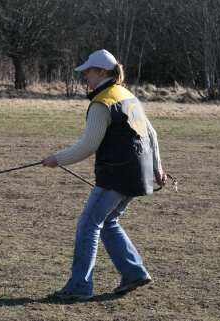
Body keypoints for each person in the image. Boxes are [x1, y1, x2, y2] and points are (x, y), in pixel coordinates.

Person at [42, 49, 166, 301]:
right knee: (107, 222)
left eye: (88, 72)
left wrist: (57, 159)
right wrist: (157, 169)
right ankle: (133, 272)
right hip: (138, 174)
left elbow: (88, 146)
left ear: (101, 72)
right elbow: (151, 135)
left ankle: (79, 287)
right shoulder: (127, 95)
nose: (85, 76)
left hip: (116, 175)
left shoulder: (103, 102)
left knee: (88, 225)